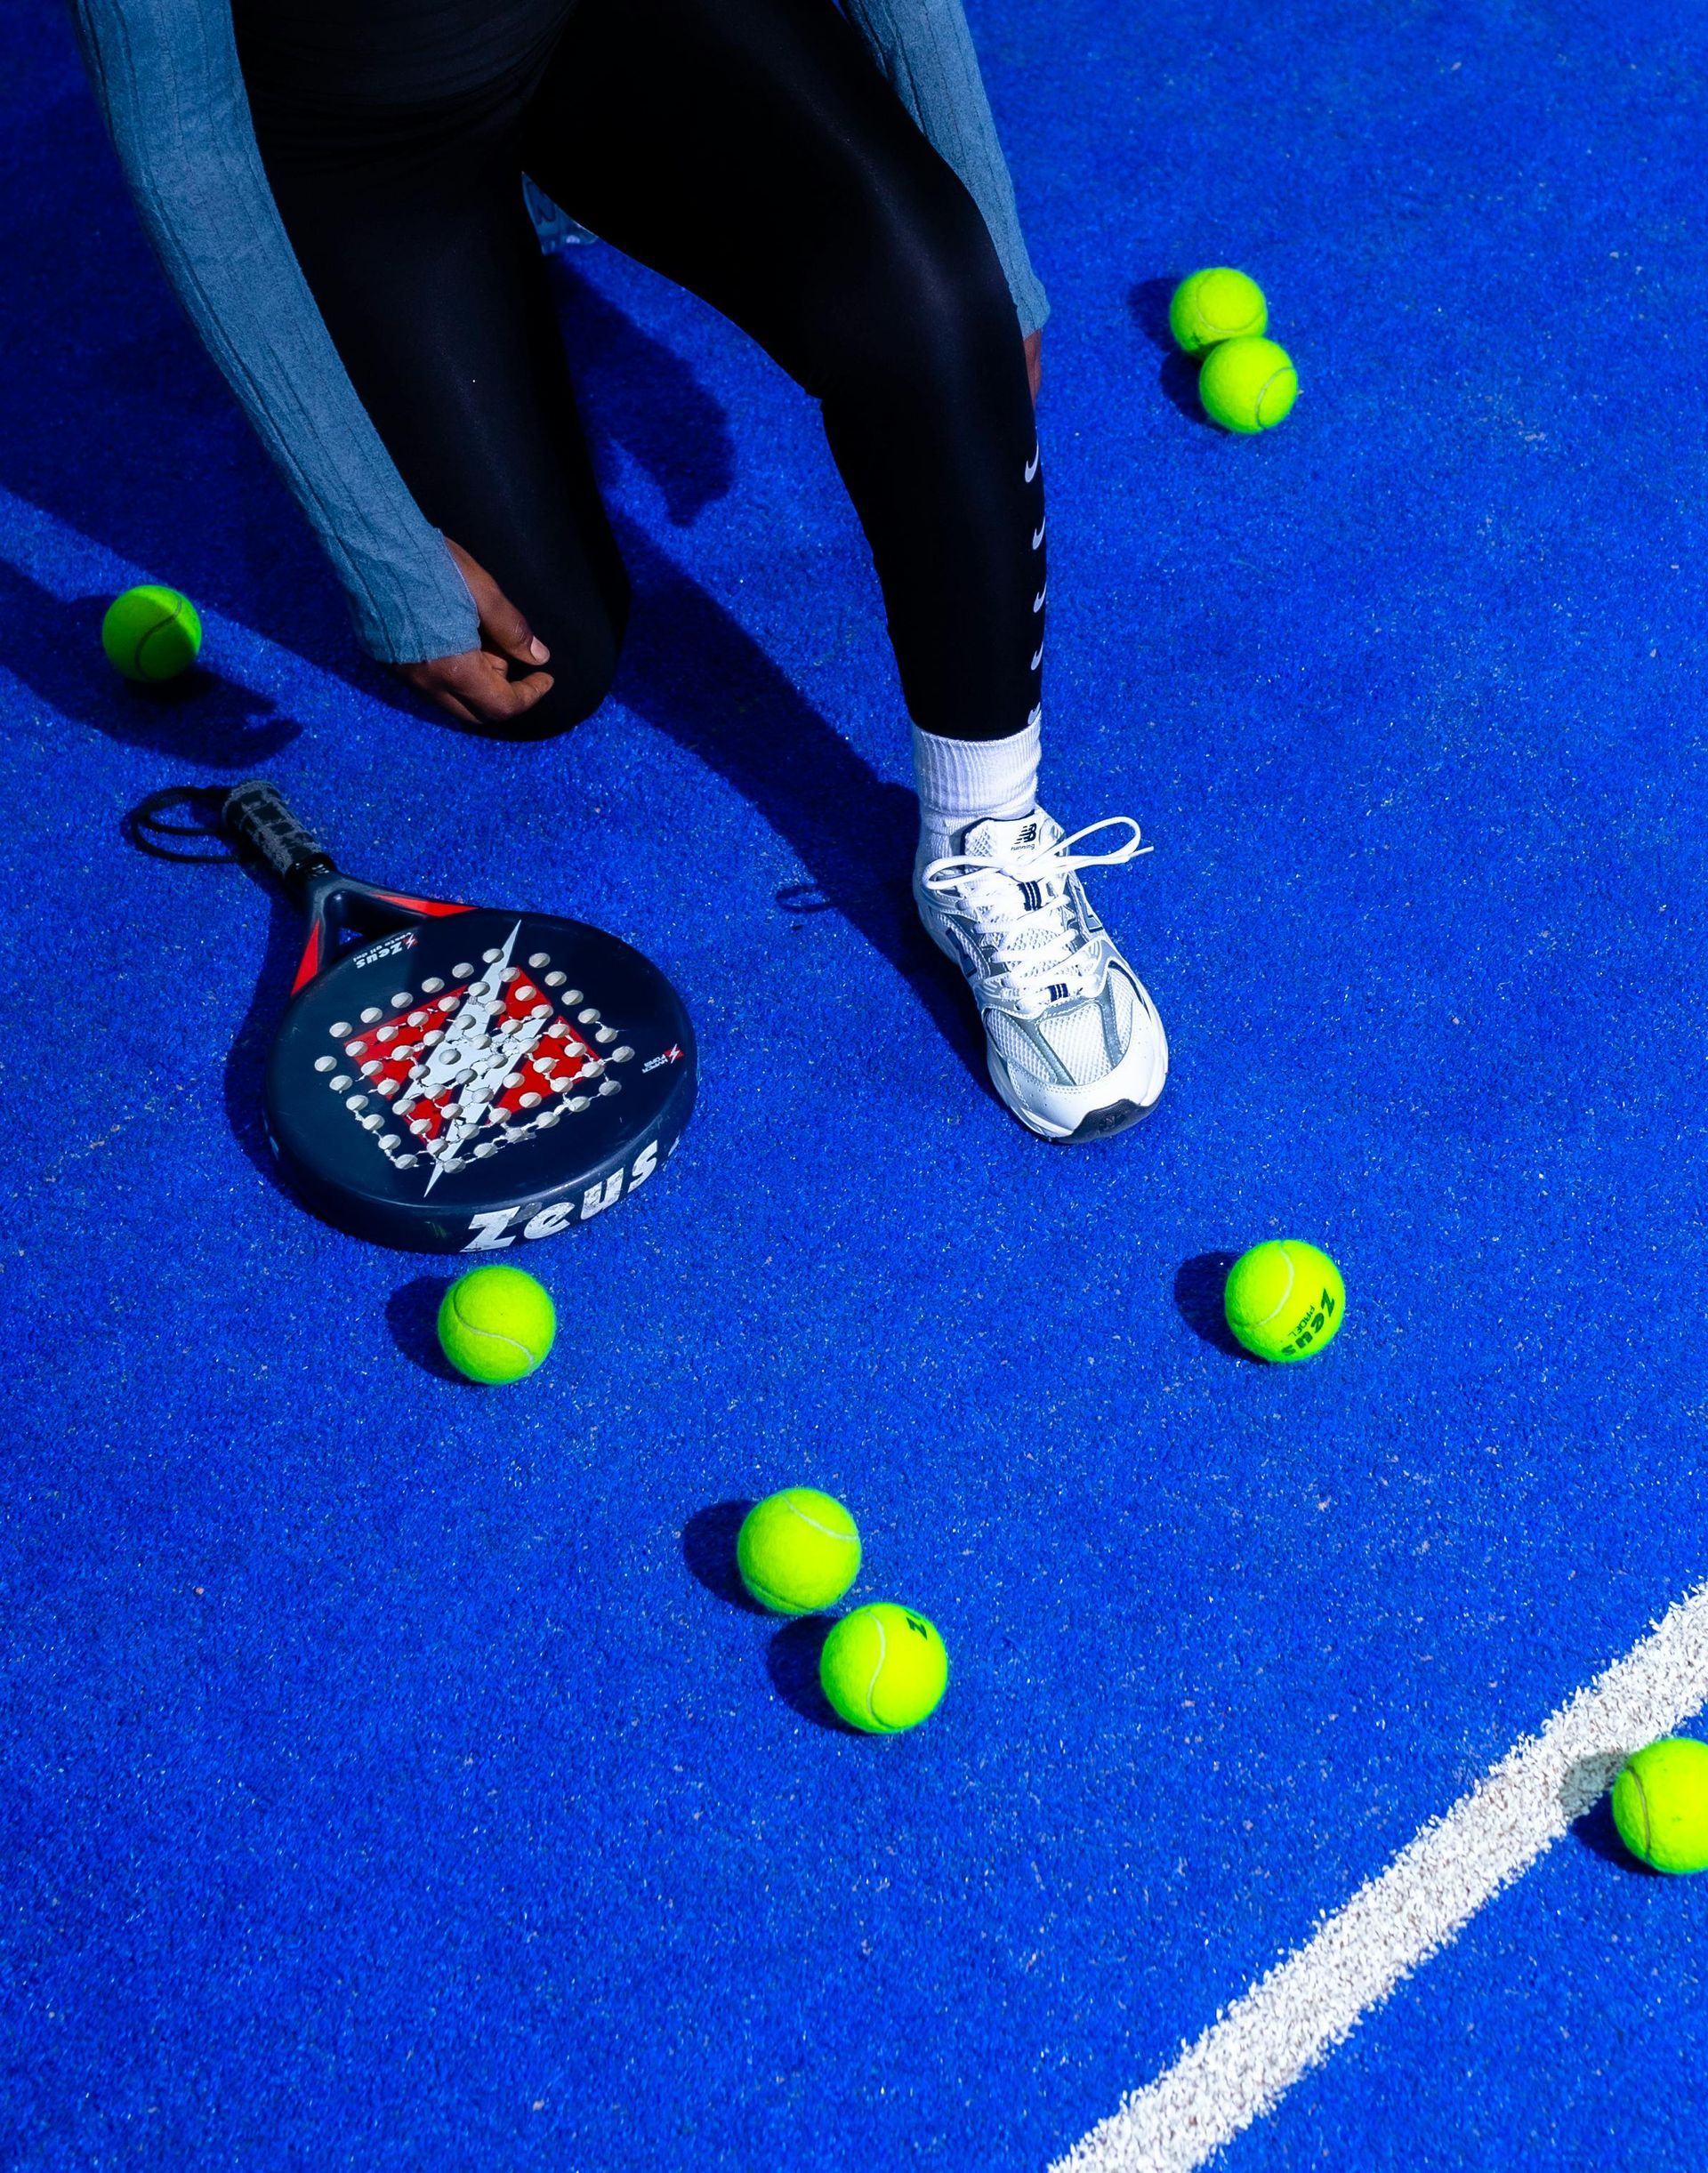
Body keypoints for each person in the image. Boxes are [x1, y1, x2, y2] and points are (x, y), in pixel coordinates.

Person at [71, 0, 1167, 1139]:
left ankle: (982, 832)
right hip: (359, 133)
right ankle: (492, 232)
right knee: (545, 658)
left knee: (929, 300)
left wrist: (982, 251)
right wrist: (378, 547)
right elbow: (184, 138)